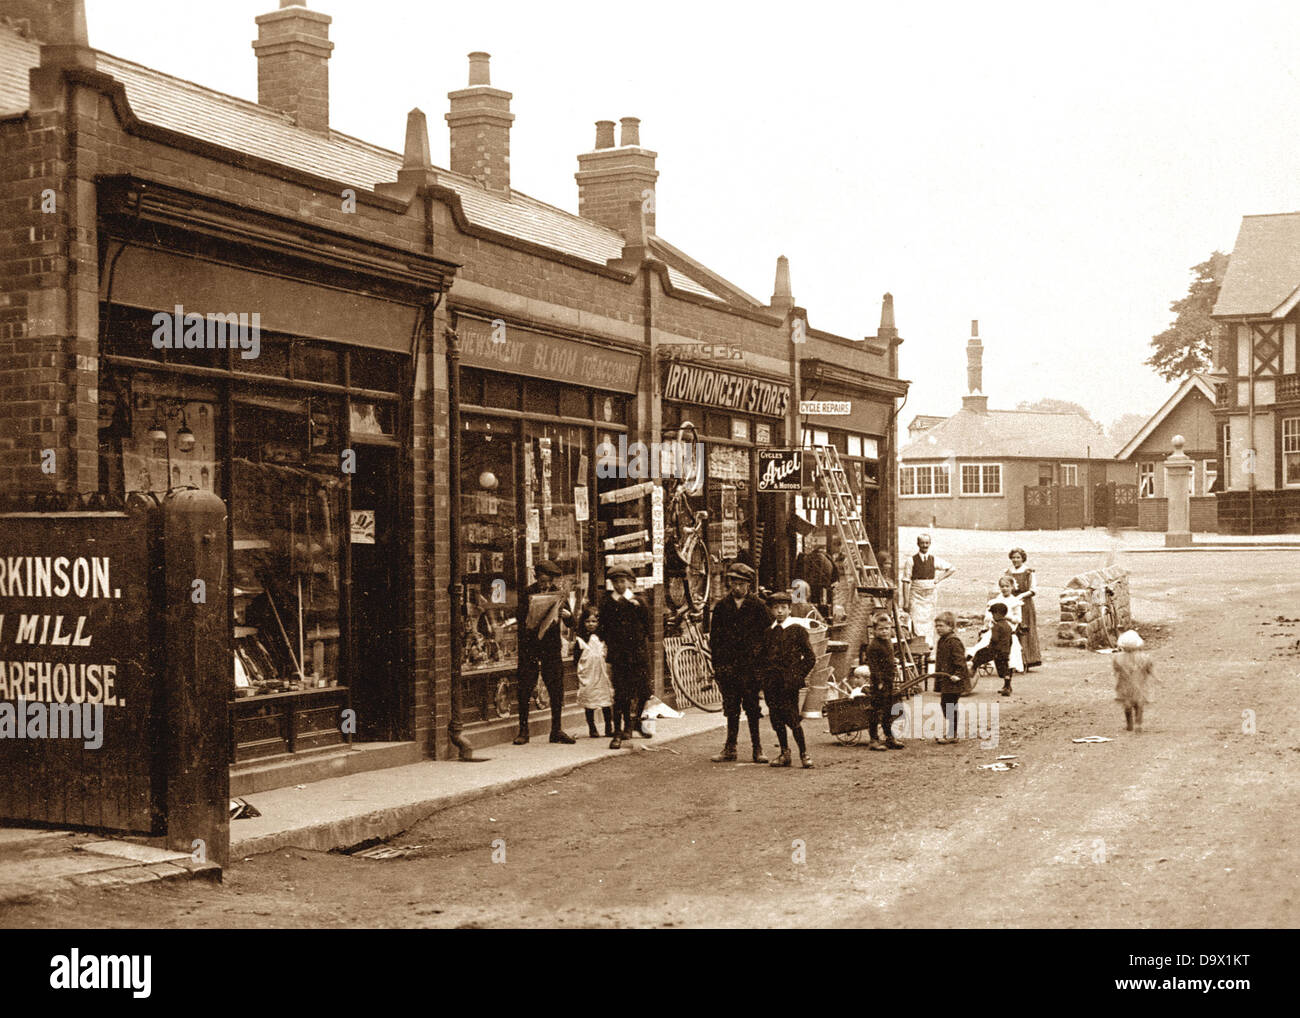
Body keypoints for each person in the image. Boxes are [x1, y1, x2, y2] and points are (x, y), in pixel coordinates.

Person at [707, 562, 770, 763]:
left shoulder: (759, 606)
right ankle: (730, 748)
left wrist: (762, 666)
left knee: (752, 708)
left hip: (751, 668)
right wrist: (718, 667)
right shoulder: (722, 607)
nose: (737, 587)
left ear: (748, 585)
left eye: (741, 583)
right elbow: (715, 640)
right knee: (731, 708)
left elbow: (767, 637)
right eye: (733, 582)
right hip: (729, 667)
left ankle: (757, 748)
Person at [514, 559, 575, 744]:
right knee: (525, 686)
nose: (546, 585)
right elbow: (520, 618)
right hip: (530, 646)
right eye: (542, 581)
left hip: (551, 647)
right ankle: (523, 730)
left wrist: (568, 616)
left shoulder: (558, 594)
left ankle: (556, 730)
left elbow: (572, 623)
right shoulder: (527, 593)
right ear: (535, 577)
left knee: (556, 688)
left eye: (549, 581)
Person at [598, 566, 653, 749]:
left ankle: (636, 721)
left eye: (623, 581)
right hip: (619, 655)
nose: (619, 585)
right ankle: (620, 730)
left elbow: (648, 626)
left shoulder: (640, 601)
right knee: (622, 694)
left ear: (630, 582)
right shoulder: (607, 603)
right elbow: (603, 628)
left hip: (638, 654)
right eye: (616, 582)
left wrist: (638, 608)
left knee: (644, 690)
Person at [762, 592, 818, 769]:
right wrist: (763, 680)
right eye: (776, 608)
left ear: (789, 609)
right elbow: (762, 658)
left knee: (792, 718)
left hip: (788, 684)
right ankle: (784, 753)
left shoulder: (797, 630)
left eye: (783, 608)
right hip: (772, 684)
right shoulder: (769, 632)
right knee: (776, 718)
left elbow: (810, 658)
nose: (779, 611)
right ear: (771, 610)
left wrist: (797, 675)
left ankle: (804, 753)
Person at [901, 533, 956, 651]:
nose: (924, 545)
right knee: (915, 619)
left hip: (930, 595)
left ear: (930, 544)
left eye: (927, 543)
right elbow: (905, 581)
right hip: (916, 594)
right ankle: (917, 648)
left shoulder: (934, 559)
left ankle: (928, 648)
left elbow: (951, 568)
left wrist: (938, 579)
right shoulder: (911, 561)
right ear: (918, 544)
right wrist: (906, 602)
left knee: (929, 621)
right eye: (922, 543)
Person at [862, 613, 905, 750]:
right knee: (876, 710)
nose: (885, 631)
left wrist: (894, 662)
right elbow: (873, 666)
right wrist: (879, 682)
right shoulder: (873, 646)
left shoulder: (888, 643)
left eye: (887, 628)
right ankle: (873, 739)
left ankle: (889, 737)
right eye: (881, 629)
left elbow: (888, 658)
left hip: (889, 681)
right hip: (879, 684)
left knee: (888, 711)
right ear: (874, 631)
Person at [969, 576, 1027, 674]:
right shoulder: (994, 601)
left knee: (1009, 651)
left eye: (1007, 586)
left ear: (1012, 587)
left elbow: (1018, 619)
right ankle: (973, 662)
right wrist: (988, 621)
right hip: (994, 630)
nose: (1004, 588)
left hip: (1007, 631)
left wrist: (1008, 617)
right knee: (983, 645)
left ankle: (1007, 671)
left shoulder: (1015, 602)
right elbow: (987, 616)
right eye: (1002, 586)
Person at [573, 606, 614, 739]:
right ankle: (592, 727)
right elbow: (576, 660)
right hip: (588, 674)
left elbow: (607, 655)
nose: (591, 624)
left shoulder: (603, 639)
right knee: (589, 702)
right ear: (583, 623)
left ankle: (609, 727)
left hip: (601, 673)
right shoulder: (580, 640)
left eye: (594, 621)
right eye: (587, 621)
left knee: (605, 701)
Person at [932, 612, 969, 744]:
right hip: (945, 680)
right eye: (936, 626)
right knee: (945, 705)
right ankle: (951, 732)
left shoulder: (954, 641)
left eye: (941, 626)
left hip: (954, 681)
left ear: (950, 626)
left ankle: (952, 734)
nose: (938, 629)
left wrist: (958, 675)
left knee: (950, 706)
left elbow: (960, 661)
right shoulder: (942, 640)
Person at [1004, 548, 1042, 669]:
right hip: (1011, 603)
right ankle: (1014, 660)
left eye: (1018, 557)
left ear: (1023, 558)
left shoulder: (1028, 572)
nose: (1015, 560)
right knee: (1012, 629)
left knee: (1025, 628)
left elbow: (1033, 590)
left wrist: (1020, 596)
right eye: (1013, 557)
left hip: (1025, 604)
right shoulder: (1008, 572)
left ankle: (1028, 659)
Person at [1112, 629, 1154, 732]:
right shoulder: (1144, 657)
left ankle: (1129, 724)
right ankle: (1138, 723)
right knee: (1139, 704)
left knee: (1127, 705)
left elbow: (1116, 670)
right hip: (1139, 684)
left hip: (1124, 685)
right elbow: (1149, 669)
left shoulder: (1117, 658)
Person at [970, 601, 1014, 696]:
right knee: (1004, 668)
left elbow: (994, 639)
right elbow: (1011, 640)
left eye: (993, 613)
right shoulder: (1008, 626)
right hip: (1005, 651)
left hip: (995, 650)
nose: (993, 616)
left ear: (998, 614)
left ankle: (972, 669)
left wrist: (989, 646)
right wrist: (1008, 649)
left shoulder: (996, 626)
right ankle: (1007, 686)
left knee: (979, 654)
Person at [793, 539, 838, 609]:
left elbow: (803, 573)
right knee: (823, 601)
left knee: (813, 601)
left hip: (811, 584)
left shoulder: (808, 558)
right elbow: (835, 574)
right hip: (824, 584)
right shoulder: (827, 558)